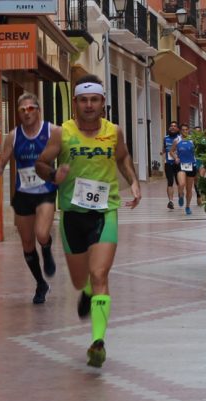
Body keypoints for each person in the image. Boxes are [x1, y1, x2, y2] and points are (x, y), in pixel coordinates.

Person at [35, 74, 141, 368]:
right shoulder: (62, 133)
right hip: (72, 215)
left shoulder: (114, 131)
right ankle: (87, 293)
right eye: (84, 100)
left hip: (105, 211)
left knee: (100, 275)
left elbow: (123, 157)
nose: (89, 105)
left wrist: (133, 181)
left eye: (94, 100)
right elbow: (41, 162)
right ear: (75, 104)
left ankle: (97, 342)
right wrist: (52, 175)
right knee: (81, 279)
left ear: (103, 103)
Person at [0, 92, 58, 305]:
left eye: (31, 109)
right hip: (23, 193)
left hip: (45, 190)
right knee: (27, 242)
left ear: (38, 110)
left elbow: (66, 153)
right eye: (23, 110)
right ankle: (40, 283)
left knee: (41, 233)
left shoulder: (52, 131)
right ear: (19, 113)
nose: (27, 113)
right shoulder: (13, 135)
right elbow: (4, 158)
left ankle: (46, 249)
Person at [171, 123, 197, 215]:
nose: (184, 131)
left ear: (188, 130)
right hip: (181, 165)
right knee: (181, 184)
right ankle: (180, 194)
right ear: (180, 131)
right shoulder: (177, 140)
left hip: (191, 165)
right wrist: (175, 158)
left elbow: (197, 151)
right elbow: (171, 151)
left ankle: (188, 206)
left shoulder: (192, 140)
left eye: (186, 129)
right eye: (183, 130)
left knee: (189, 189)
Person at [160, 121, 182, 209]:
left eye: (175, 126)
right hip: (168, 163)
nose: (173, 127)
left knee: (180, 183)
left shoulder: (180, 138)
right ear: (169, 128)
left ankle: (181, 196)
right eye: (171, 126)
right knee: (170, 182)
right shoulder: (165, 138)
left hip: (178, 163)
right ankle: (171, 201)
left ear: (177, 129)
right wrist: (162, 152)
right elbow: (164, 148)